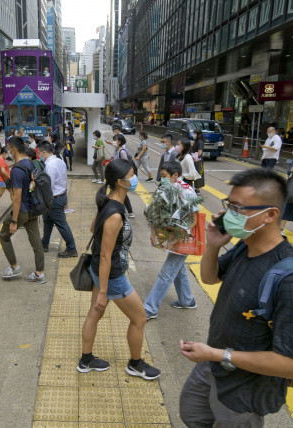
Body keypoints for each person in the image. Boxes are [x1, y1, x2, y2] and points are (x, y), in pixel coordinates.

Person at [180, 168, 293, 426]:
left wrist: (219, 355)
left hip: (244, 390)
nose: (230, 214)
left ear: (270, 215)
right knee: (193, 415)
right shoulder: (245, 245)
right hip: (213, 365)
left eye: (238, 209)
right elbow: (210, 277)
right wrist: (214, 245)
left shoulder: (291, 280)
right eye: (229, 206)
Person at [77, 159, 161, 380]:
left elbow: (93, 228)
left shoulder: (110, 202)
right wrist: (104, 292)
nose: (135, 177)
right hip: (111, 275)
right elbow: (106, 255)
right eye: (132, 174)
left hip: (99, 269)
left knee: (94, 314)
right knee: (140, 318)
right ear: (121, 182)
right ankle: (135, 364)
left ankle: (85, 361)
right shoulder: (115, 213)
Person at [143, 161, 199, 320]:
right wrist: (153, 233)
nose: (162, 180)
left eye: (164, 176)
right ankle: (187, 300)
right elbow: (154, 212)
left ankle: (150, 308)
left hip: (183, 237)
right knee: (178, 269)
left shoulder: (187, 191)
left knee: (166, 274)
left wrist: (175, 239)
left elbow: (193, 221)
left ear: (175, 175)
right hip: (173, 236)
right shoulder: (165, 189)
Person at [0, 136, 46, 283]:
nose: (8, 152)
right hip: (33, 209)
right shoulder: (31, 163)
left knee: (4, 236)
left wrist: (14, 220)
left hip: (23, 210)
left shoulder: (17, 170)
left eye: (8, 149)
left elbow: (16, 199)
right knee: (36, 241)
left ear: (13, 149)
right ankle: (39, 273)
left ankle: (14, 267)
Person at [38, 141, 77, 258]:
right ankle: (44, 243)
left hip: (54, 199)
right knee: (47, 220)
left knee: (61, 224)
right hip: (61, 195)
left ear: (44, 152)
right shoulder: (60, 161)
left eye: (39, 153)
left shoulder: (50, 165)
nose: (39, 155)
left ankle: (71, 248)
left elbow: (48, 186)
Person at [112, 134, 136, 218]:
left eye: (116, 140)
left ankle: (130, 211)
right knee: (117, 193)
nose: (114, 141)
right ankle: (122, 209)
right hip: (116, 175)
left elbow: (125, 165)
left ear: (120, 142)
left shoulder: (122, 151)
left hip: (121, 176)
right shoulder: (116, 150)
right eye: (114, 139)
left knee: (122, 194)